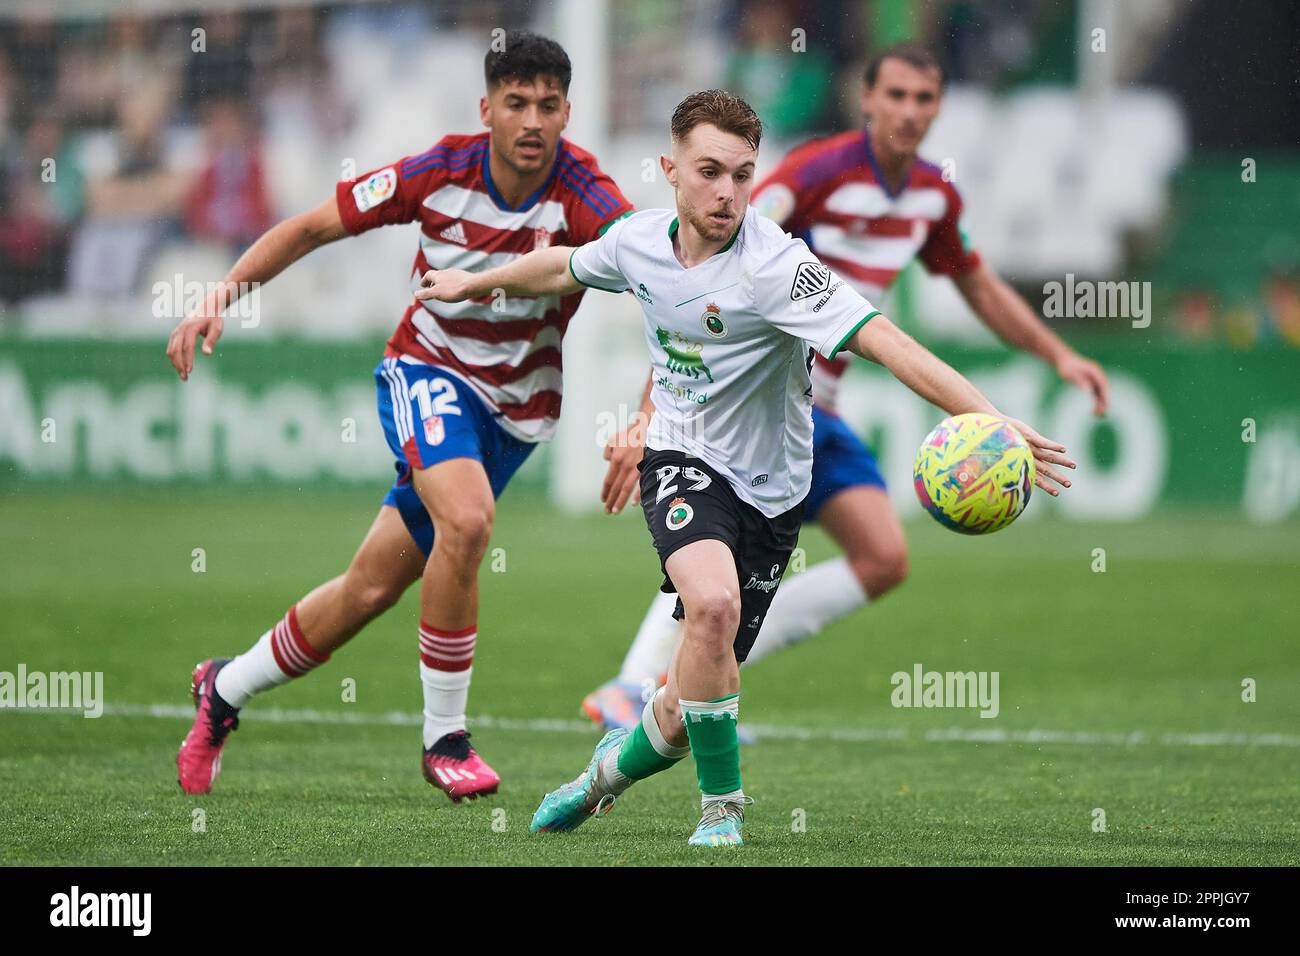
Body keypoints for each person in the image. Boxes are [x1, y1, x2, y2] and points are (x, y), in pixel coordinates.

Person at [415, 89, 1074, 846]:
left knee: (689, 700)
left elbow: (889, 342)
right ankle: (722, 811)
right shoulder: (636, 243)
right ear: (670, 169)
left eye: (741, 173)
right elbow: (565, 266)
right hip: (682, 456)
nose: (726, 191)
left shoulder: (778, 267)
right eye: (708, 171)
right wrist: (476, 281)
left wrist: (983, 417)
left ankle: (604, 777)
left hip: (775, 489)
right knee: (713, 605)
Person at [582, 42, 1110, 733]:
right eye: (895, 95)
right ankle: (637, 682)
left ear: (939, 107)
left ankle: (688, 672)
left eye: (924, 99)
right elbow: (698, 287)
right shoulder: (814, 173)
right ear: (866, 100)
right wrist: (653, 415)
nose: (909, 112)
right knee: (718, 537)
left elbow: (975, 283)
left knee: (884, 558)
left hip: (815, 412)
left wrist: (1057, 354)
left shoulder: (931, 194)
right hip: (742, 402)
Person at [167, 32, 633, 801]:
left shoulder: (585, 195)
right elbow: (314, 226)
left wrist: (647, 415)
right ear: (487, 108)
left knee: (368, 590)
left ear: (567, 113)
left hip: (515, 415)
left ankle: (225, 687)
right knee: (471, 522)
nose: (532, 120)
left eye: (548, 106)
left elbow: (658, 282)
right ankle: (444, 738)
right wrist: (221, 294)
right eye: (516, 103)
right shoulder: (437, 172)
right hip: (427, 370)